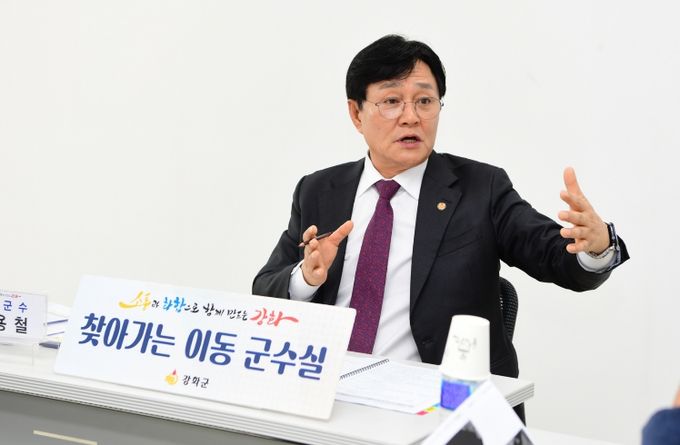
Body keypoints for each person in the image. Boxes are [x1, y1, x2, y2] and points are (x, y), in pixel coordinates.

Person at [252, 35, 629, 418]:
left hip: (442, 409)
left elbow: (551, 253)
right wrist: (307, 278)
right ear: (356, 113)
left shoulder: (481, 189)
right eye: (391, 101)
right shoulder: (320, 190)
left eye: (425, 101)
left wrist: (595, 248)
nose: (411, 116)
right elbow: (265, 289)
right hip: (330, 401)